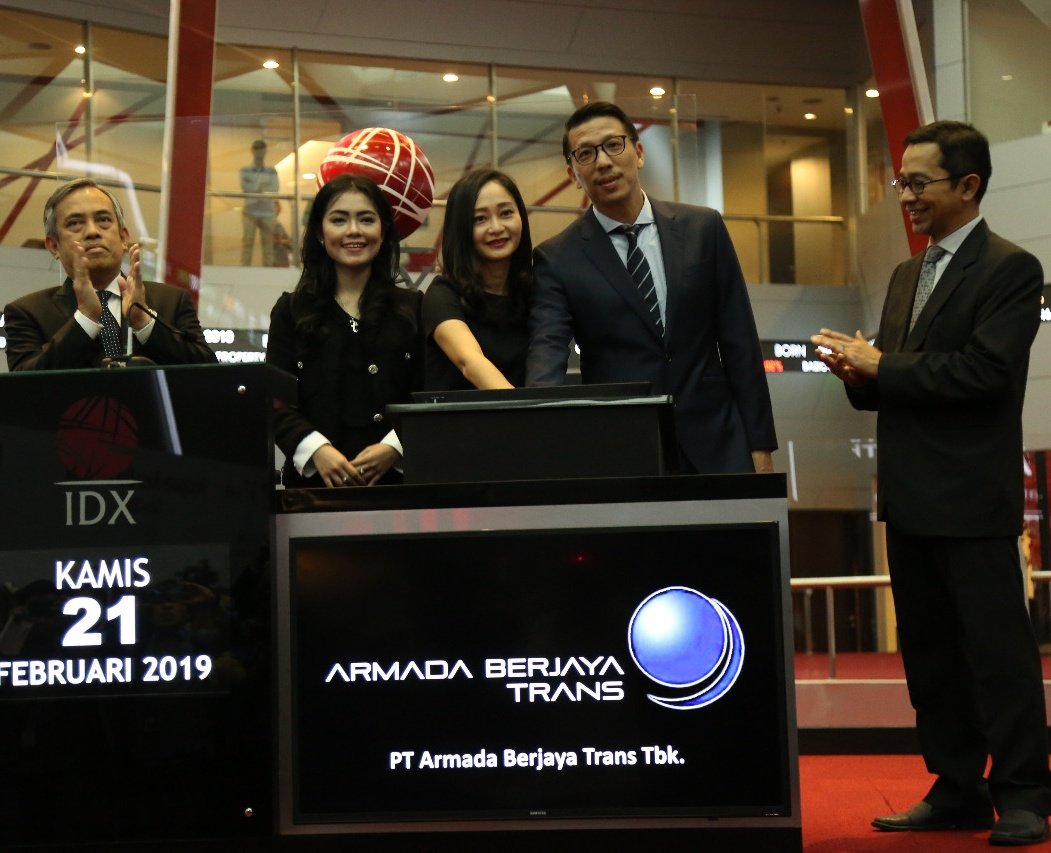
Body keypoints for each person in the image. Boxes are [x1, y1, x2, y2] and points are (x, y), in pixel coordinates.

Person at [812, 120, 1051, 846]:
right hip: (909, 496)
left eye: (919, 182)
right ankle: (957, 788)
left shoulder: (1011, 268)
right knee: (931, 657)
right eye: (902, 182)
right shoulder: (903, 275)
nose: (905, 195)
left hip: (973, 499)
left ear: (968, 186)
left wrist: (882, 365)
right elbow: (893, 386)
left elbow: (985, 373)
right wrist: (856, 373)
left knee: (998, 655)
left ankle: (1023, 792)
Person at [526, 101, 776, 474]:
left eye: (614, 145)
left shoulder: (703, 228)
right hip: (623, 455)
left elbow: (740, 342)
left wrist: (760, 445)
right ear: (573, 173)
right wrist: (541, 436)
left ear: (639, 152)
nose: (603, 162)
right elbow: (547, 354)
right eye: (586, 154)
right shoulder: (557, 258)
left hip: (719, 446)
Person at [265, 173, 422, 488]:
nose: (354, 231)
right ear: (320, 233)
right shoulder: (291, 311)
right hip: (312, 494)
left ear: (383, 231)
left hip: (398, 491)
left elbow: (430, 393)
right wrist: (317, 450)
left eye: (366, 219)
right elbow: (275, 401)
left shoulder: (413, 308)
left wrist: (395, 447)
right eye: (339, 220)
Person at [3, 178, 216, 371]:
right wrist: (85, 319)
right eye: (75, 223)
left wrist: (144, 322)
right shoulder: (27, 313)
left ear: (123, 238)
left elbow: (208, 373)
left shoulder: (172, 301)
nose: (92, 232)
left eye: (103, 220)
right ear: (53, 246)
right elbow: (25, 386)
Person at [423, 168, 532, 390]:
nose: (496, 228)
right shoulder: (442, 295)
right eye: (480, 219)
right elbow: (470, 363)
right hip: (467, 413)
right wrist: (523, 409)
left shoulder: (534, 290)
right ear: (461, 229)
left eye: (506, 213)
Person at [240, 139, 279, 266]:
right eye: (257, 149)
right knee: (247, 243)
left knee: (268, 245)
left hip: (267, 212)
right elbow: (246, 189)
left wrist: (256, 187)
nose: (260, 152)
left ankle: (268, 271)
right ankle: (244, 270)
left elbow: (274, 189)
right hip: (250, 211)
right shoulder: (245, 170)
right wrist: (262, 186)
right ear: (252, 151)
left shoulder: (271, 171)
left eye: (262, 149)